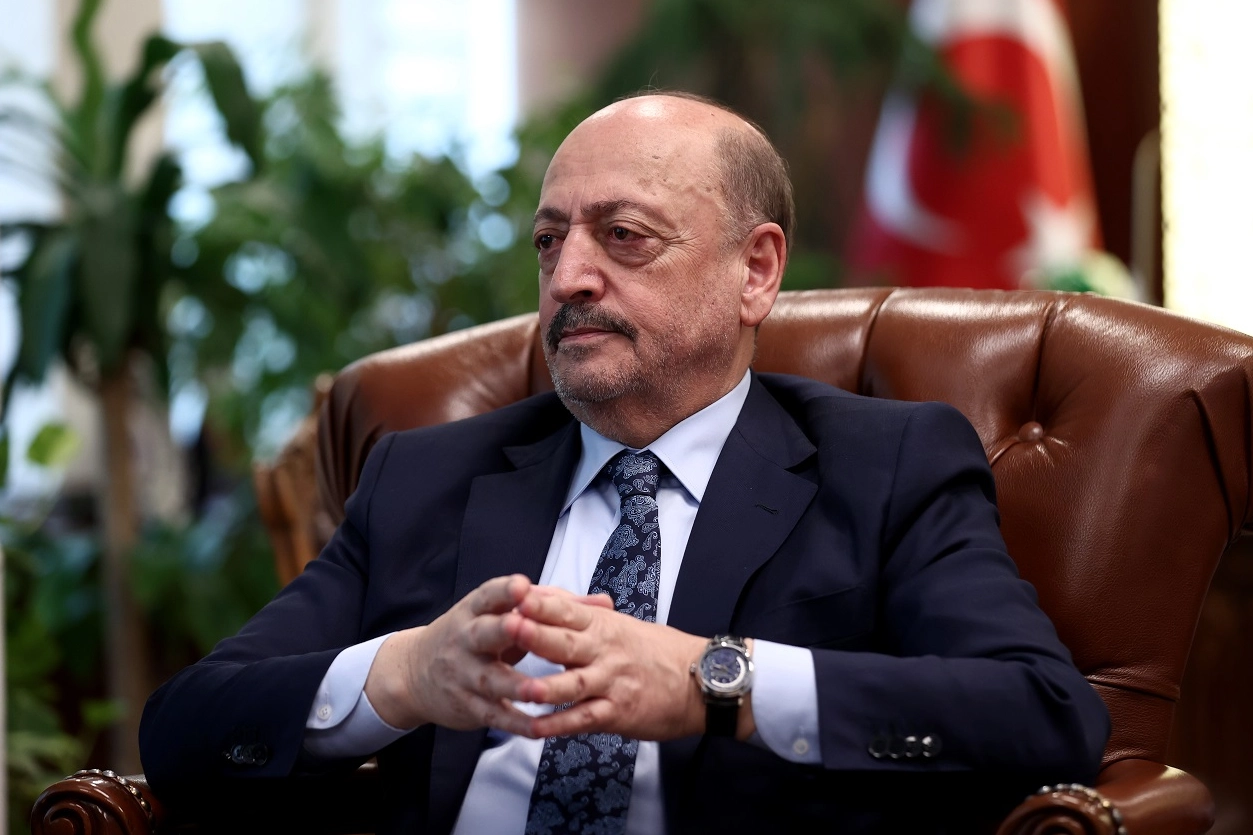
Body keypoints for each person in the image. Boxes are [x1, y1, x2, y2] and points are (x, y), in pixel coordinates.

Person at [140, 92, 1110, 834]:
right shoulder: (423, 478)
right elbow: (182, 727)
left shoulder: (886, 467)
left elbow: (1042, 715)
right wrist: (404, 673)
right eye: (548, 241)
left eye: (622, 236)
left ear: (755, 271)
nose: (567, 278)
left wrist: (715, 683)